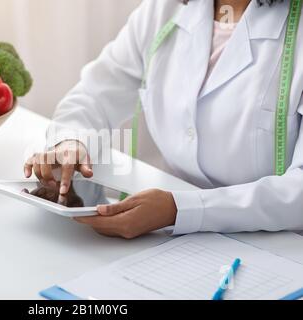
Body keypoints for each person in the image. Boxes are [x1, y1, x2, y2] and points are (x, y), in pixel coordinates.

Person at [24, 0, 303, 239]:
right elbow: (95, 94)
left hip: (276, 240)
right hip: (167, 230)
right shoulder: (164, 8)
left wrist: (179, 210)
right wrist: (71, 141)